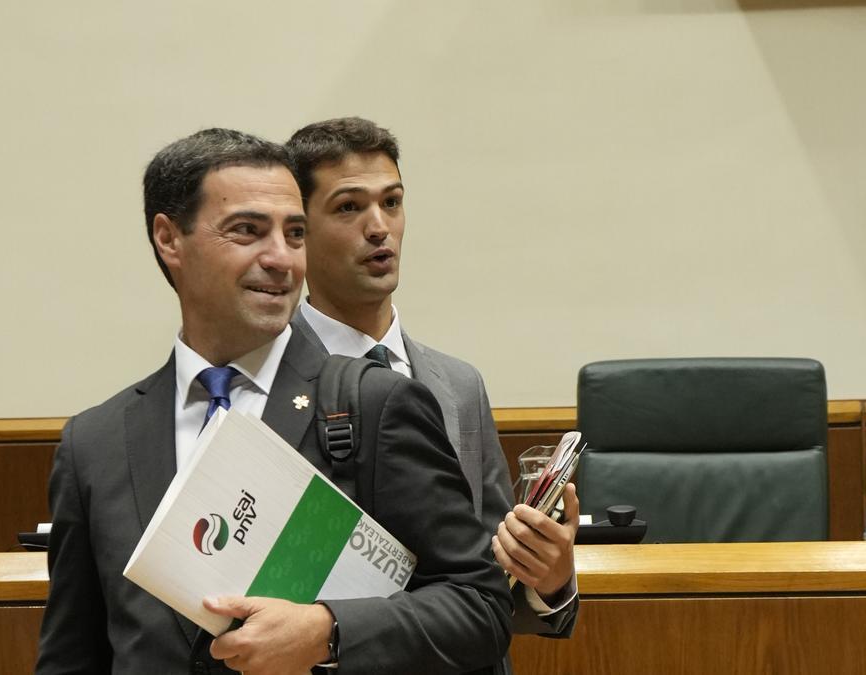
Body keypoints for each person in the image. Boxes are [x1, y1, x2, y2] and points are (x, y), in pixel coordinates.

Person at [36, 128, 511, 675]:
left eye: (295, 234)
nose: (282, 259)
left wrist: (329, 632)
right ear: (169, 239)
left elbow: (481, 607)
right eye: (248, 231)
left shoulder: (375, 403)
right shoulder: (95, 443)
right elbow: (73, 654)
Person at [284, 118, 579, 669]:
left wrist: (550, 577)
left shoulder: (457, 384)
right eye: (349, 207)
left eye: (392, 202)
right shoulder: (270, 378)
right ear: (298, 231)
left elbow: (492, 588)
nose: (379, 227)